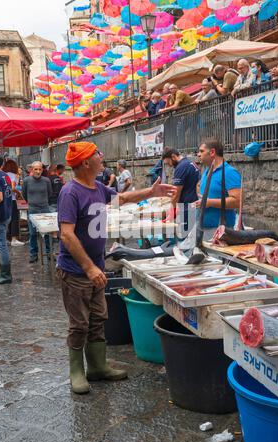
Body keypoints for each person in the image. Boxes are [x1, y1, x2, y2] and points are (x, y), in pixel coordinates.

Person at [56, 141, 176, 394]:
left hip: (96, 268)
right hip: (76, 272)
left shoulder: (97, 187)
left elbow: (121, 197)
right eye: (98, 154)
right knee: (79, 323)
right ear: (86, 162)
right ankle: (76, 371)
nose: (102, 157)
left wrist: (151, 193)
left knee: (99, 318)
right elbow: (66, 235)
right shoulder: (70, 192)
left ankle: (97, 367)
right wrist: (89, 268)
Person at [196, 138, 241, 240]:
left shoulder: (229, 172)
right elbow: (199, 187)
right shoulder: (207, 170)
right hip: (202, 228)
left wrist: (209, 202)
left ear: (212, 152)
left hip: (219, 232)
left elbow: (237, 201)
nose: (198, 154)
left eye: (202, 151)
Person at [162, 148, 200, 234]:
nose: (169, 166)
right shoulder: (190, 163)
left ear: (173, 157)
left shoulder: (181, 167)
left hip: (187, 208)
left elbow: (176, 193)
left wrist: (171, 212)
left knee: (186, 239)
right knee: (192, 237)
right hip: (194, 205)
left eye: (168, 163)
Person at [22, 161, 52, 263]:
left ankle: (49, 253)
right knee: (32, 234)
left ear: (42, 170)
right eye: (36, 169)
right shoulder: (26, 181)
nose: (38, 171)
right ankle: (33, 254)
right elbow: (24, 194)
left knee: (48, 233)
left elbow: (50, 193)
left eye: (40, 169)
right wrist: (31, 203)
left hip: (44, 209)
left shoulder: (46, 181)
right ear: (32, 170)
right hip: (32, 209)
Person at [0, 153, 13, 284]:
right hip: (7, 214)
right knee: (2, 244)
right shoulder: (5, 175)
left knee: (1, 245)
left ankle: (5, 275)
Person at [2, 159, 24, 246]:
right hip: (12, 200)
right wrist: (19, 193)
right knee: (14, 219)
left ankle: (5, 238)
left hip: (3, 200)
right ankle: (14, 239)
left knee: (6, 219)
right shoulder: (15, 176)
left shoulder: (2, 175)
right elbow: (13, 188)